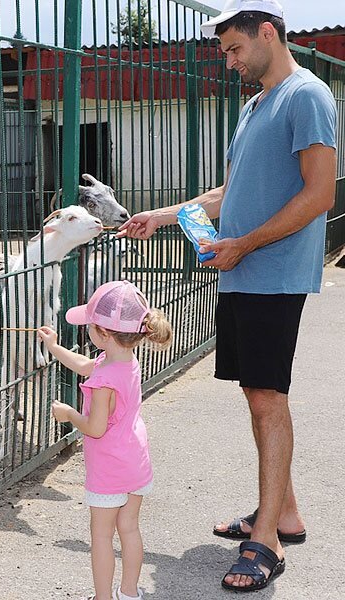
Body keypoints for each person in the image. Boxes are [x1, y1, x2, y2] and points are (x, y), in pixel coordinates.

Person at [118, 0, 337, 592]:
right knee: (254, 393)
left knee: (269, 397)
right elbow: (230, 189)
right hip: (241, 271)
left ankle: (265, 542)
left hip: (272, 273)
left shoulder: (307, 96)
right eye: (225, 53)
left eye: (236, 49)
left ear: (268, 33)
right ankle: (282, 512)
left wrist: (244, 244)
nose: (231, 61)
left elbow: (320, 194)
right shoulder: (254, 106)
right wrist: (163, 217)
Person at [37, 280, 172, 600]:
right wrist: (55, 347)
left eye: (91, 326)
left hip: (109, 470)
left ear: (105, 334)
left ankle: (103, 598)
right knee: (129, 529)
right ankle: (129, 593)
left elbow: (95, 428)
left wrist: (68, 413)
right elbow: (86, 365)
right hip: (135, 464)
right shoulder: (123, 361)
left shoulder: (103, 383)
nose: (88, 331)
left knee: (101, 536)